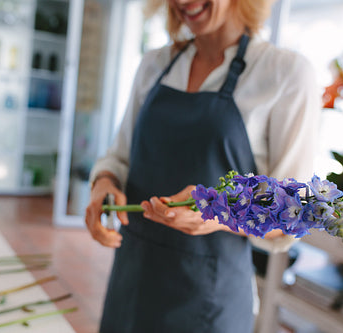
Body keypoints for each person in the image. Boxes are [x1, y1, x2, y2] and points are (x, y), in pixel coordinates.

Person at [85, 0, 320, 332]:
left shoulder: (285, 74)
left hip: (209, 301)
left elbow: (294, 211)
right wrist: (104, 185)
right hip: (132, 281)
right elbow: (118, 158)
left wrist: (221, 213)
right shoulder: (155, 64)